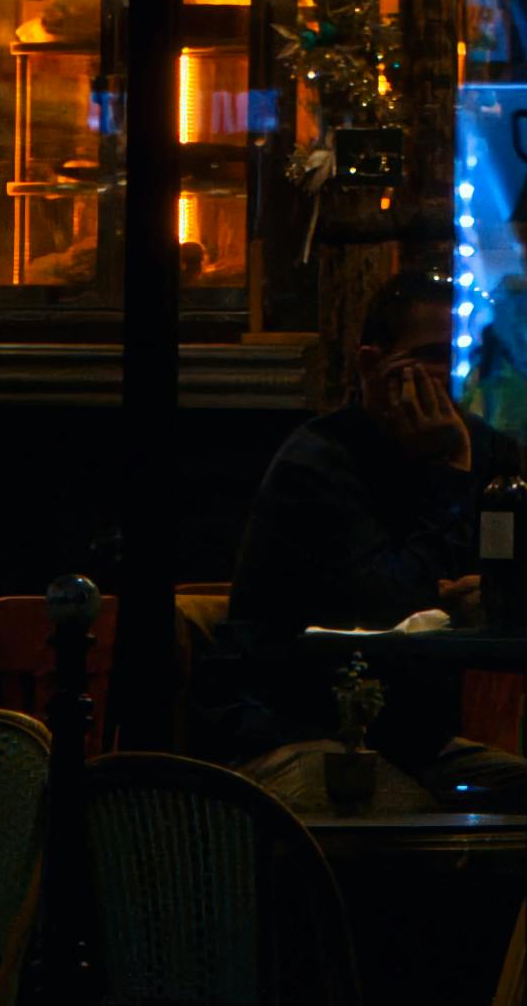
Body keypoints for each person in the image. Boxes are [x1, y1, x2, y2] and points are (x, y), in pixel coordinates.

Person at [197, 260, 476, 772]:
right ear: (372, 365)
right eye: (432, 357)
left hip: (410, 741)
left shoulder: (477, 446)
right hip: (297, 731)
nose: (450, 377)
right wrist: (454, 471)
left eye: (461, 357)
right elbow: (388, 606)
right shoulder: (317, 462)